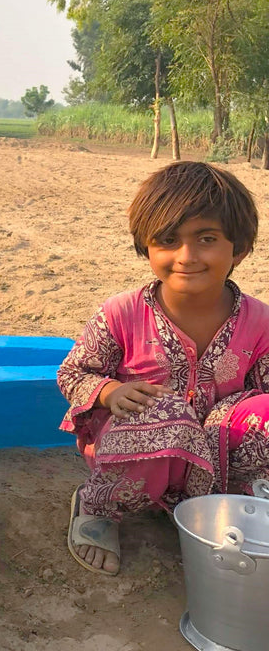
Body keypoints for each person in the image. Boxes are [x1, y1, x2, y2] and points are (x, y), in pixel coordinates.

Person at [59, 161, 269, 576]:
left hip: (215, 458)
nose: (186, 256)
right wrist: (109, 392)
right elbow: (73, 373)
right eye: (168, 240)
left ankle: (219, 506)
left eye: (206, 239)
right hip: (139, 451)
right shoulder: (121, 313)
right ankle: (98, 506)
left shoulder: (260, 323)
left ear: (239, 248)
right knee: (163, 410)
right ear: (146, 247)